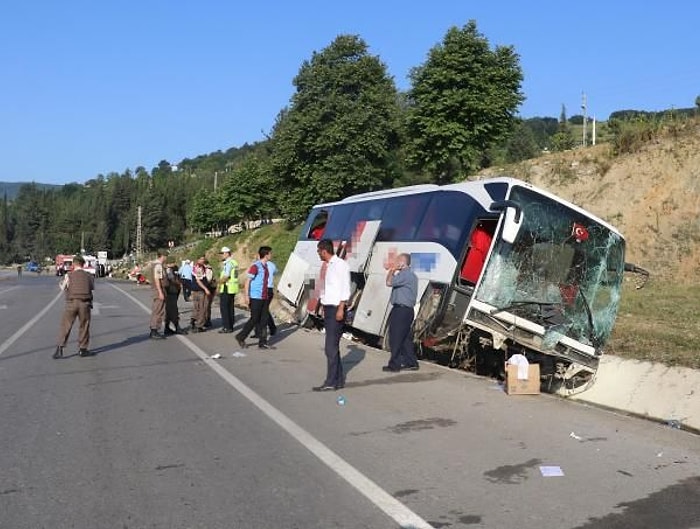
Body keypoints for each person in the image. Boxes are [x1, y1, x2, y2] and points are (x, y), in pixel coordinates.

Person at [312, 239, 351, 391]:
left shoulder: (340, 265)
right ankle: (339, 380)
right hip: (328, 308)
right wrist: (322, 304)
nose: (317, 254)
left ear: (324, 251)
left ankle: (330, 382)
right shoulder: (328, 266)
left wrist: (341, 308)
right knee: (333, 347)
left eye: (318, 251)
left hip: (336, 309)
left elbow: (345, 289)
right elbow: (328, 288)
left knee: (330, 348)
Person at [383, 253, 419, 372]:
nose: (395, 263)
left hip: (401, 311)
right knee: (404, 338)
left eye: (398, 261)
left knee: (395, 337)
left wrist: (392, 271)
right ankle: (411, 362)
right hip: (407, 311)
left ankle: (394, 365)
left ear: (403, 263)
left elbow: (388, 282)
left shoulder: (405, 275)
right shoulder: (411, 275)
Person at [54, 254, 95, 358]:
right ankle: (82, 349)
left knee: (66, 325)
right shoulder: (89, 276)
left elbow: (63, 287)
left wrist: (62, 284)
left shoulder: (69, 275)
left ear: (73, 264)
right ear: (83, 264)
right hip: (85, 303)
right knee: (84, 326)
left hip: (71, 303)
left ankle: (60, 349)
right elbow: (91, 288)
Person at [235, 246, 273, 349]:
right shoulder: (256, 266)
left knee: (264, 320)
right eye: (270, 253)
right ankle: (241, 336)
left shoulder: (265, 266)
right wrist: (247, 296)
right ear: (266, 255)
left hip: (264, 296)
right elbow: (248, 281)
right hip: (256, 297)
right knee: (254, 319)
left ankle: (263, 342)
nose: (271, 255)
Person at [217, 246, 239, 334]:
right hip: (232, 288)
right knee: (230, 307)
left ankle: (226, 327)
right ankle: (230, 326)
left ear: (227, 253)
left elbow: (226, 276)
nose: (221, 255)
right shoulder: (234, 262)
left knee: (224, 308)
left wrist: (218, 283)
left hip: (227, 287)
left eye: (222, 253)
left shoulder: (229, 263)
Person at [164, 262, 188, 335]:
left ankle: (167, 327)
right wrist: (179, 283)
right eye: (173, 262)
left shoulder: (173, 269)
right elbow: (172, 280)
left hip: (173, 291)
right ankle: (177, 327)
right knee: (173, 310)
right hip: (170, 292)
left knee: (169, 310)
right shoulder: (168, 270)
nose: (174, 263)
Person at [148, 250, 168, 339]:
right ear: (162, 256)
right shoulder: (158, 266)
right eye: (166, 256)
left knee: (158, 309)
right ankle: (154, 330)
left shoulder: (154, 265)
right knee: (158, 310)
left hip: (158, 289)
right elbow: (157, 279)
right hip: (159, 289)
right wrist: (160, 292)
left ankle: (154, 329)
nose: (166, 258)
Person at [189, 255, 211, 333]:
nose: (203, 260)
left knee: (197, 307)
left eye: (203, 259)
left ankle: (193, 321)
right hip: (200, 291)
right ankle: (199, 325)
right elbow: (199, 280)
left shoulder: (197, 267)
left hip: (196, 290)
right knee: (202, 308)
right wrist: (206, 289)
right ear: (197, 259)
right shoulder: (199, 268)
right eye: (201, 259)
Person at [204, 259, 216, 328]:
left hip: (209, 289)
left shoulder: (208, 270)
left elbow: (208, 280)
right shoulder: (209, 269)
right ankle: (207, 320)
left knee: (207, 305)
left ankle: (207, 320)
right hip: (211, 289)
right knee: (207, 305)